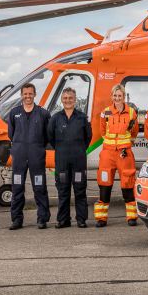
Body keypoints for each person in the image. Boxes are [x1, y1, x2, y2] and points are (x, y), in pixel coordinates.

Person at [6, 82, 51, 230]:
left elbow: (47, 135)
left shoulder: (43, 113)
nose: (28, 96)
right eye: (25, 94)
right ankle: (16, 220)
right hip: (19, 157)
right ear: (21, 95)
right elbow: (11, 134)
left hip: (36, 157)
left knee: (39, 187)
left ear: (35, 94)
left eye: (30, 93)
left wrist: (36, 147)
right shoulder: (14, 113)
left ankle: (42, 219)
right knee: (17, 188)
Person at [46, 87, 92, 229]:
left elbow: (88, 138)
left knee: (80, 190)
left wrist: (78, 149)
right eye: (65, 98)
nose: (68, 100)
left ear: (75, 99)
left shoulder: (82, 118)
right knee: (63, 190)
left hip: (78, 161)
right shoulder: (55, 118)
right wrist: (62, 149)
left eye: (70, 98)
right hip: (62, 161)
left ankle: (81, 219)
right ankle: (63, 219)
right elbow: (50, 138)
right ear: (62, 100)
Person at [96, 83, 139, 227]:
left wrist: (125, 145)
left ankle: (132, 217)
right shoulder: (105, 112)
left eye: (119, 95)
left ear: (123, 96)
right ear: (111, 96)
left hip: (124, 154)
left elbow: (134, 133)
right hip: (107, 154)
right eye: (115, 95)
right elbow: (103, 131)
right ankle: (101, 219)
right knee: (104, 185)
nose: (117, 98)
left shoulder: (132, 113)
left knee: (128, 184)